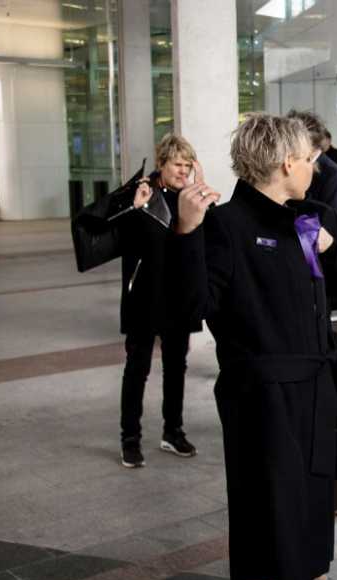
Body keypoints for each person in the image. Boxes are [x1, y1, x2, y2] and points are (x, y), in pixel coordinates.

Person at [175, 112, 337, 580]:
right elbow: (191, 307)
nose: (315, 166)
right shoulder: (226, 225)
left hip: (309, 393)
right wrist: (186, 234)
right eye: (310, 156)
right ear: (286, 163)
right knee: (269, 527)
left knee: (295, 523)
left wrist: (330, 246)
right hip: (264, 400)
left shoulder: (305, 221)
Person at [279, 109, 337, 580]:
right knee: (290, 469)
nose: (312, 163)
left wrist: (323, 251)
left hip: (325, 331)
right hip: (284, 361)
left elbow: (335, 274)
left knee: (319, 457)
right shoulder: (254, 214)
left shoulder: (324, 199)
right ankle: (290, 571)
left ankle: (313, 563)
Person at [118, 133, 203, 468]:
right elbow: (123, 239)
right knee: (137, 367)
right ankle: (130, 438)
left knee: (176, 366)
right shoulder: (141, 193)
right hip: (144, 296)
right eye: (177, 165)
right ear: (162, 164)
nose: (183, 171)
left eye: (187, 165)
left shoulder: (189, 197)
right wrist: (135, 210)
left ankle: (173, 431)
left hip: (177, 295)